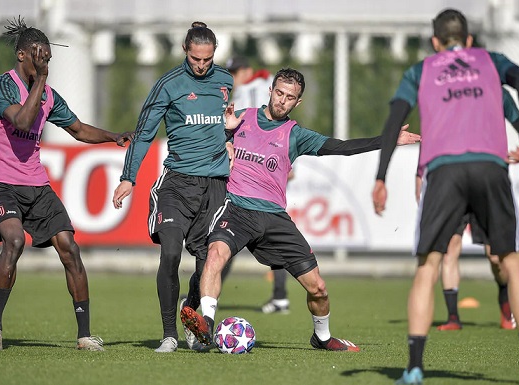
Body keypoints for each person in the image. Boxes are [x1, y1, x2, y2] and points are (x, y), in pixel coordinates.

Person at [180, 68, 420, 352]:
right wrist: (223, 129)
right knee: (215, 255)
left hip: (274, 217)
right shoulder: (240, 117)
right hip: (236, 208)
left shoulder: (295, 135)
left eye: (290, 97)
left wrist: (387, 140)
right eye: (279, 93)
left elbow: (340, 147)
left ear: (298, 103)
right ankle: (206, 323)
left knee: (318, 288)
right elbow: (199, 136)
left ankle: (321, 337)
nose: (282, 101)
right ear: (270, 91)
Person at [371, 9, 519, 385]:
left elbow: (394, 120)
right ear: (469, 40)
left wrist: (381, 176)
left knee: (428, 266)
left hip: (445, 172)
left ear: (435, 42)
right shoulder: (491, 61)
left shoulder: (420, 70)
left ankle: (415, 368)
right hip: (490, 168)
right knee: (513, 263)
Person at [0, 17, 133, 352]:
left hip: (34, 182)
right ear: (22, 56)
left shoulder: (48, 96)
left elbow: (78, 130)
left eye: (48, 58)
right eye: (39, 56)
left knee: (70, 248)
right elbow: (23, 119)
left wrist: (114, 136)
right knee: (13, 241)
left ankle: (85, 335)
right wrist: (42, 78)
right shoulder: (2, 87)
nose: (45, 63)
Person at [112, 21, 234, 353]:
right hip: (176, 185)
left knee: (209, 261)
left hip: (215, 186)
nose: (202, 66)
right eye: (196, 59)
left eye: (207, 60)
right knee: (170, 253)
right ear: (185, 50)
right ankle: (169, 335)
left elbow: (226, 124)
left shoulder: (225, 81)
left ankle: (191, 312)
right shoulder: (168, 84)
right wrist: (128, 176)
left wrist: (231, 140)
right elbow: (144, 132)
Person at [432, 89, 519, 331]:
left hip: (488, 182)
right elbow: (434, 131)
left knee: (496, 257)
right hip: (456, 181)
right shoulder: (451, 93)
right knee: (450, 248)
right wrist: (423, 173)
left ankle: (505, 303)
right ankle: (452, 318)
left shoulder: (497, 93)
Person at [224, 55, 291, 314]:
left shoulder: (250, 93)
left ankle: (204, 289)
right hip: (262, 171)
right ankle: (280, 296)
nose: (233, 76)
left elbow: (262, 129)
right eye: (231, 72)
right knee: (270, 235)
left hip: (256, 173)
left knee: (227, 234)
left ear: (248, 70)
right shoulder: (260, 87)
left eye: (237, 71)